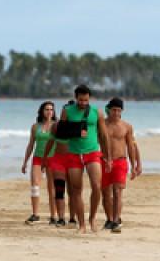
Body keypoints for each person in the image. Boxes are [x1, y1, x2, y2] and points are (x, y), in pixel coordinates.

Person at [61, 85, 112, 233]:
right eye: (81, 100)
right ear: (76, 97)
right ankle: (82, 224)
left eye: (86, 100)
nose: (83, 103)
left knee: (97, 186)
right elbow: (61, 132)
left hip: (92, 152)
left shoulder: (97, 112)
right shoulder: (67, 111)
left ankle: (92, 219)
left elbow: (103, 136)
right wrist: (76, 131)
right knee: (76, 190)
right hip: (74, 153)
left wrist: (108, 157)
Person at [102, 97, 137, 233]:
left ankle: (116, 220)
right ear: (109, 110)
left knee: (117, 191)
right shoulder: (102, 125)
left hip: (120, 161)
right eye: (113, 110)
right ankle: (109, 219)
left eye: (118, 110)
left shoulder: (126, 126)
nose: (116, 113)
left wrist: (134, 165)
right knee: (105, 193)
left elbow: (131, 145)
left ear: (122, 111)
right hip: (103, 161)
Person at [21, 101, 57, 225]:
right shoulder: (35, 126)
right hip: (38, 158)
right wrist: (25, 162)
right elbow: (31, 145)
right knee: (35, 185)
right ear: (42, 111)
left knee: (51, 188)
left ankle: (53, 216)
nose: (49, 112)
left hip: (52, 158)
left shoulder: (56, 125)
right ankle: (35, 214)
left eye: (51, 109)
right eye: (46, 109)